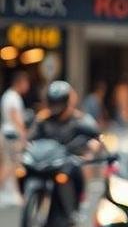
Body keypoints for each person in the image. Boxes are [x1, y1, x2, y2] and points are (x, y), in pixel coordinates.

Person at [29, 81, 99, 217]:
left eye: (59, 102)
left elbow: (95, 137)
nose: (56, 107)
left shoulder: (79, 119)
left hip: (68, 158)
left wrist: (91, 148)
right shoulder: (43, 118)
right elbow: (31, 137)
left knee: (77, 170)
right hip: (45, 160)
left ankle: (79, 204)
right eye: (53, 102)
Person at [1, 71, 31, 207]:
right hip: (12, 135)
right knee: (10, 164)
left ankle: (13, 193)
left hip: (7, 133)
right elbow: (15, 117)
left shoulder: (7, 95)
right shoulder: (13, 97)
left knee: (10, 164)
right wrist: (24, 134)